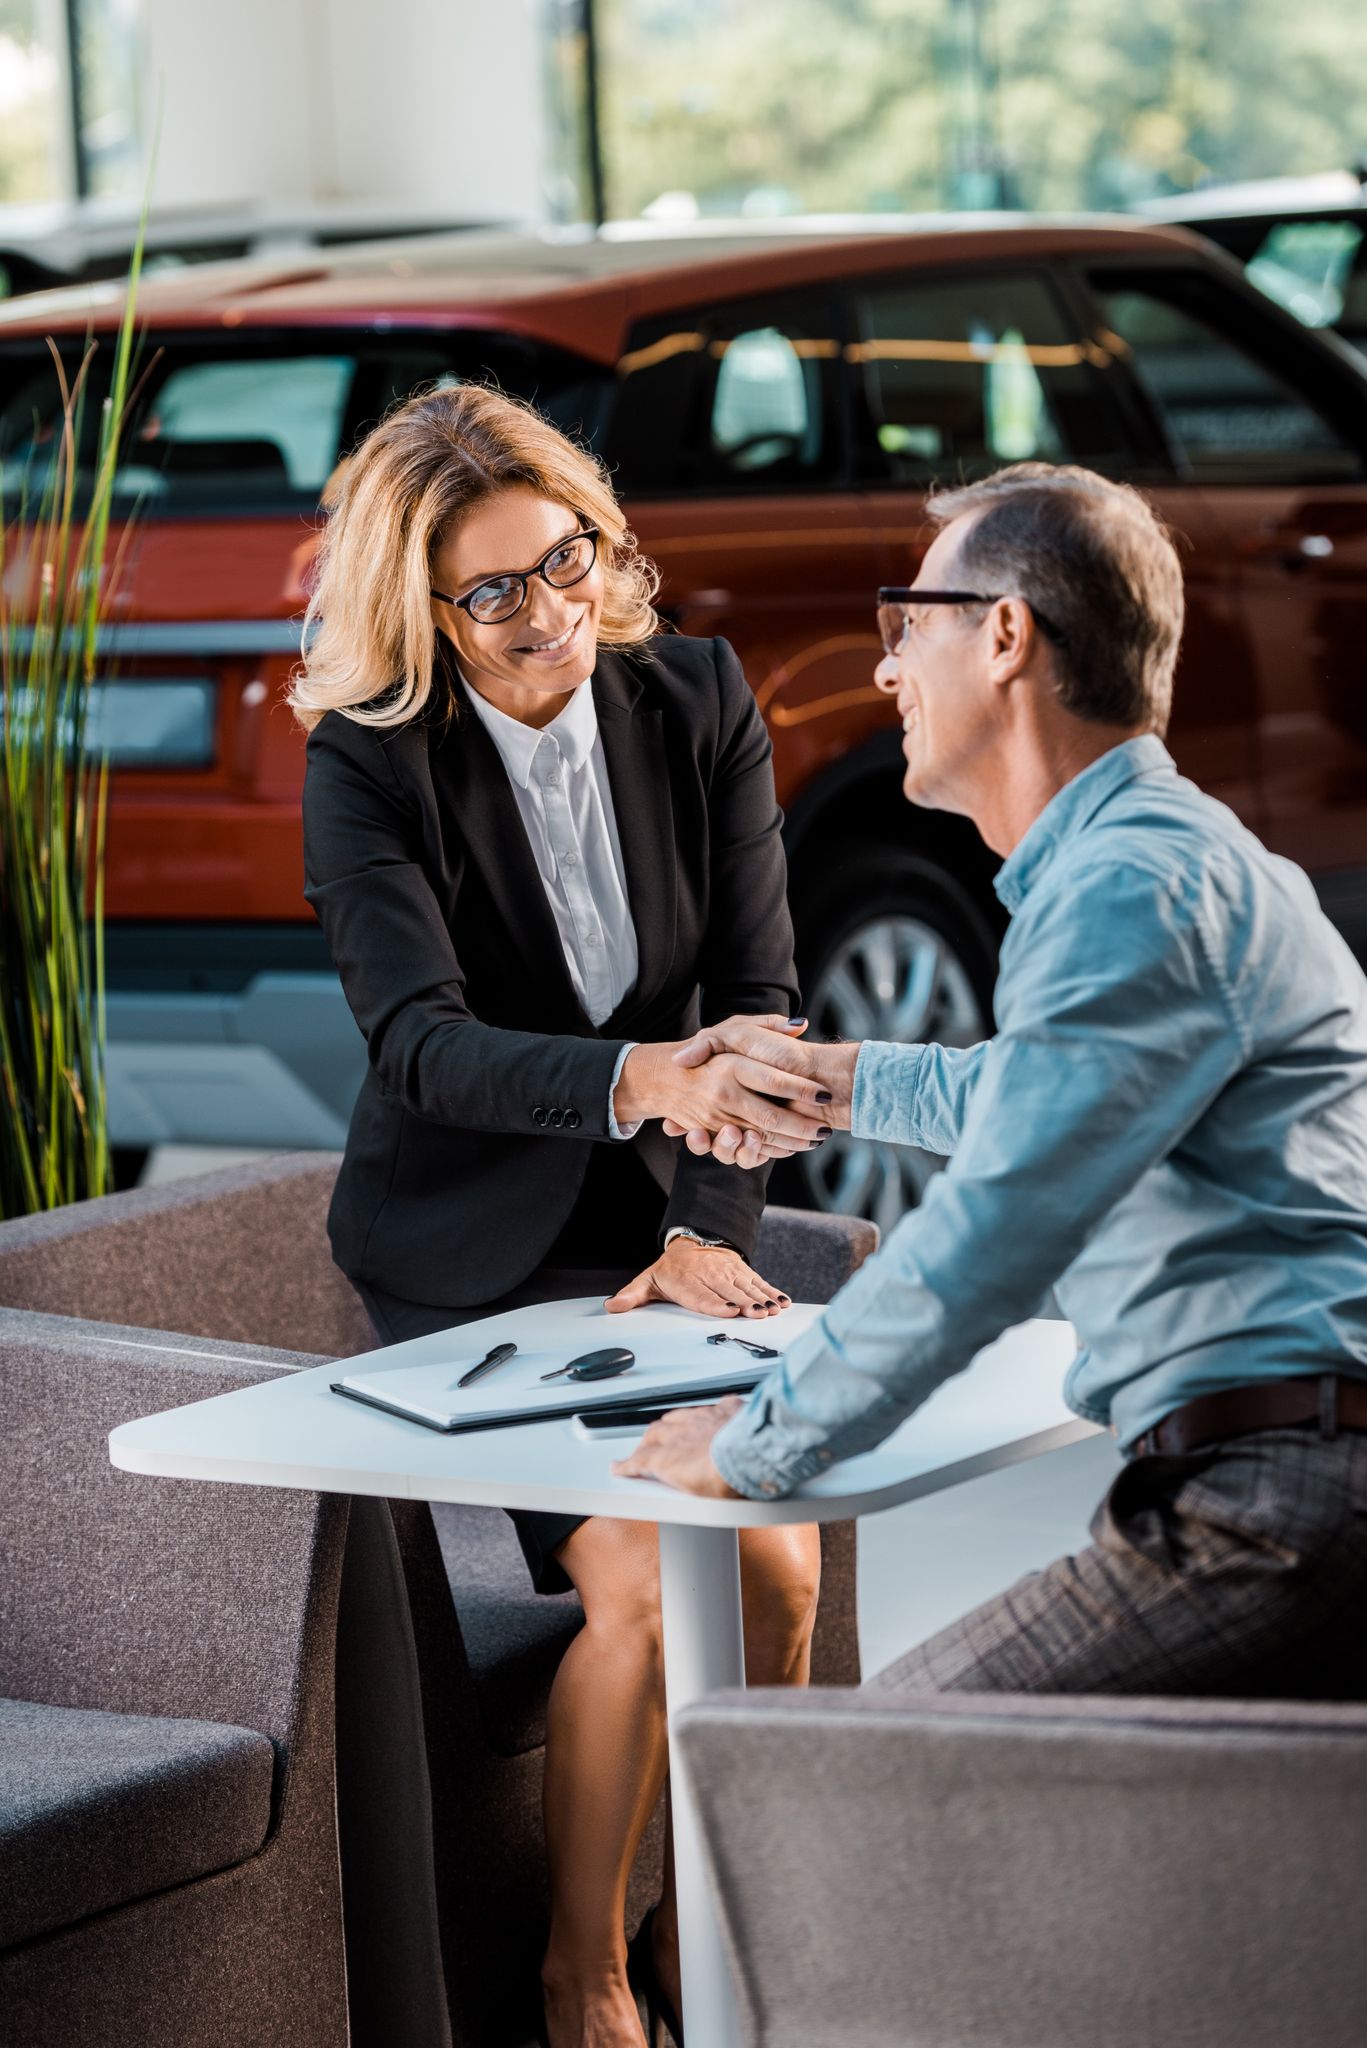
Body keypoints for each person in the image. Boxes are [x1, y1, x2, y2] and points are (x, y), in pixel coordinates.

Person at [616, 460, 1367, 1705]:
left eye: (905, 624)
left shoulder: (1131, 888)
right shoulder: (1162, 863)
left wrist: (754, 1444)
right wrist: (828, 1083)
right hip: (1289, 1475)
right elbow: (1044, 1101)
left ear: (1005, 635)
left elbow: (991, 1227)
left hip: (1278, 1504)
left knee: (862, 1784)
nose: (884, 668)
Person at [290, 383, 830, 2048]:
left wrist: (708, 1220)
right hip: (467, 1248)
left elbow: (758, 996)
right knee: (656, 1589)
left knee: (781, 1575)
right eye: (496, 591)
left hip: (662, 1237)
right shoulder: (369, 767)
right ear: (420, 611)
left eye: (567, 558)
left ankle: (705, 1936)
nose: (551, 611)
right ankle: (581, 1979)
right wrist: (636, 1081)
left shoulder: (697, 695)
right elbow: (420, 1043)